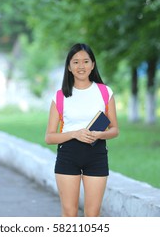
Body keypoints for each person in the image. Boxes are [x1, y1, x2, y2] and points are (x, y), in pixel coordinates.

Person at [45, 43, 119, 217]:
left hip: (97, 155)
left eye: (86, 61)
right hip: (68, 155)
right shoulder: (60, 96)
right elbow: (49, 137)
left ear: (93, 65)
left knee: (92, 215)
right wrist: (75, 134)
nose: (81, 66)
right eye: (75, 62)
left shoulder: (105, 92)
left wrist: (101, 134)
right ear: (69, 67)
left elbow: (115, 129)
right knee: (69, 213)